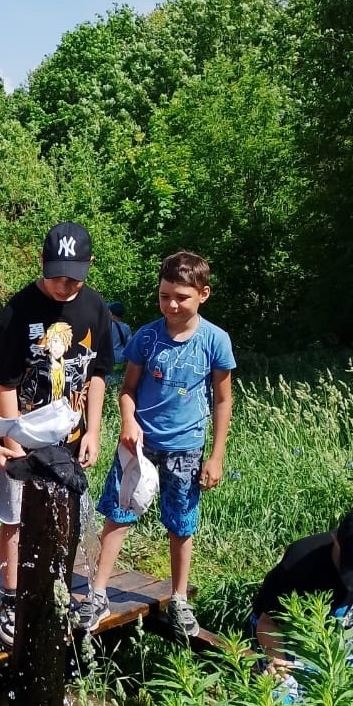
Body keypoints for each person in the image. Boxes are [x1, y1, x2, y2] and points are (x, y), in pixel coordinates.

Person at [76, 250, 235, 638]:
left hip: (186, 447)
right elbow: (127, 389)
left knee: (181, 523)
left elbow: (223, 399)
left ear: (203, 294)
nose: (172, 305)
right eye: (165, 296)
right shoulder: (146, 338)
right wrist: (128, 422)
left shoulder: (215, 341)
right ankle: (97, 593)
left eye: (181, 297)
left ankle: (179, 598)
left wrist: (216, 455)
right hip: (140, 446)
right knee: (119, 512)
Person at [0, 222, 114, 647]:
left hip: (72, 439)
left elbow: (97, 374)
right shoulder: (17, 311)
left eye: (74, 276)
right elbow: (3, 384)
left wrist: (93, 429)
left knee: (66, 519)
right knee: (15, 518)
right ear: (41, 263)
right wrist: (11, 442)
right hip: (21, 433)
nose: (64, 285)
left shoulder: (95, 308)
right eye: (56, 274)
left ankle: (57, 591)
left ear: (89, 266)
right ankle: (11, 597)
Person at [251, 502, 353, 668]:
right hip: (288, 629)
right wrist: (278, 665)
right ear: (336, 541)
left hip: (346, 622)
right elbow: (268, 623)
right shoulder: (300, 563)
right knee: (288, 691)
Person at [107, 300, 132, 383]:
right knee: (116, 380)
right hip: (119, 359)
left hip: (107, 358)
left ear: (110, 312)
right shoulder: (126, 328)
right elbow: (129, 346)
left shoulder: (105, 326)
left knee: (105, 381)